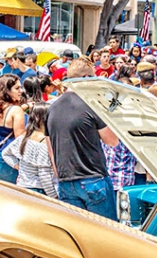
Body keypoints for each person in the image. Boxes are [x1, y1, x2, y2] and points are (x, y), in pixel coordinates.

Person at [45, 59, 120, 219]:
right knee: (106, 234)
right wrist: (113, 112)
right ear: (86, 78)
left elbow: (51, 148)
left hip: (66, 181)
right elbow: (112, 141)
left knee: (78, 236)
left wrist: (61, 177)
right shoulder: (91, 105)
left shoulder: (52, 108)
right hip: (93, 179)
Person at [2, 102, 57, 197]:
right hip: (38, 191)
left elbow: (5, 154)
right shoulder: (44, 144)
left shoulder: (24, 138)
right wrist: (54, 196)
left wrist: (20, 168)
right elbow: (44, 176)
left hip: (21, 187)